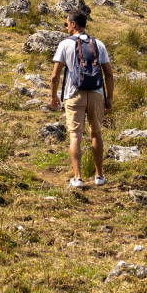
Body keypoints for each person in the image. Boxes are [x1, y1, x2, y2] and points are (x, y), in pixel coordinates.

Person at [49, 10, 115, 188]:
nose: (67, 27)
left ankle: (78, 178)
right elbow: (108, 73)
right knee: (96, 133)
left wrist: (54, 95)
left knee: (75, 135)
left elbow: (55, 75)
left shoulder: (65, 44)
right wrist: (109, 97)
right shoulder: (99, 44)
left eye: (67, 23)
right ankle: (99, 176)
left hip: (73, 94)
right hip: (96, 93)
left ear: (73, 24)